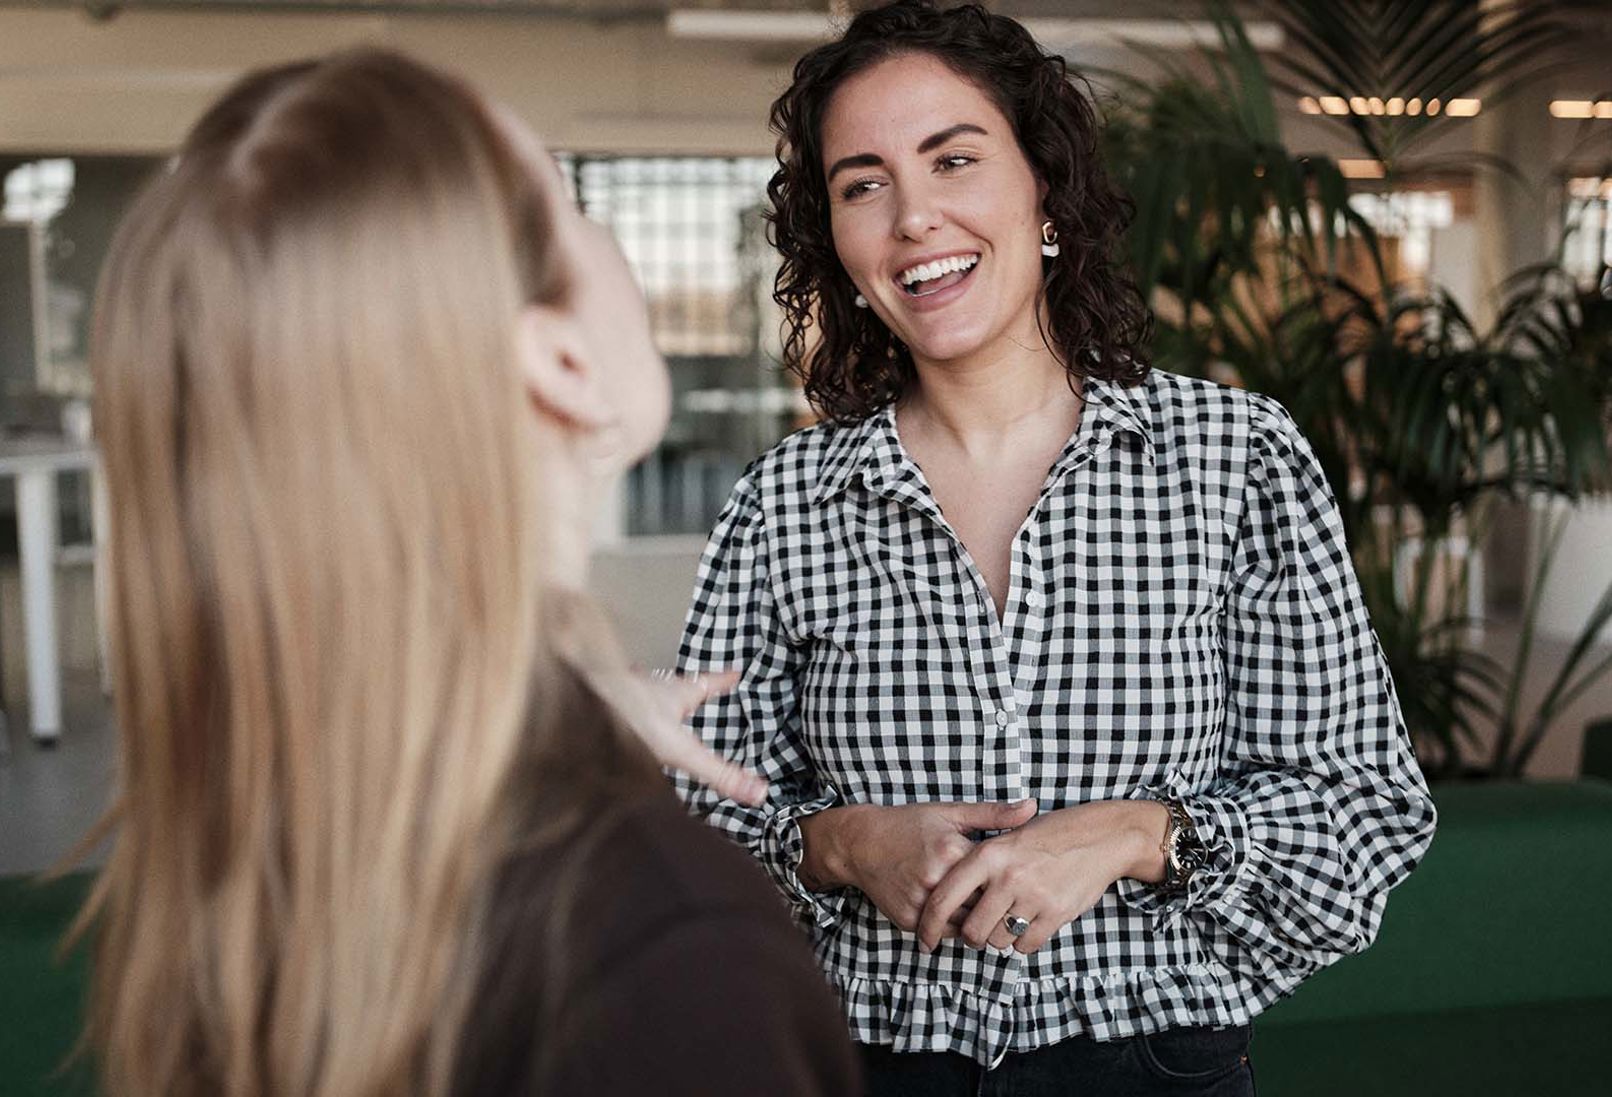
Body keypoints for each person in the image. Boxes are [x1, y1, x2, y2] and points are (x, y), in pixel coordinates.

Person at [673, 2, 1437, 1093]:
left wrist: (1137, 833)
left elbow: (1363, 810)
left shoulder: (1234, 460)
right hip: (862, 1060)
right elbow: (697, 818)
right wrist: (838, 843)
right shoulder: (785, 500)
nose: (913, 218)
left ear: (1045, 192)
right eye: (863, 183)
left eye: (954, 159)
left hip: (1150, 1061)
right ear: (833, 243)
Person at [76, 49, 857, 1097]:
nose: (603, 238)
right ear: (562, 366)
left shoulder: (263, 838)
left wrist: (571, 703)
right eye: (568, 201)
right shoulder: (671, 948)